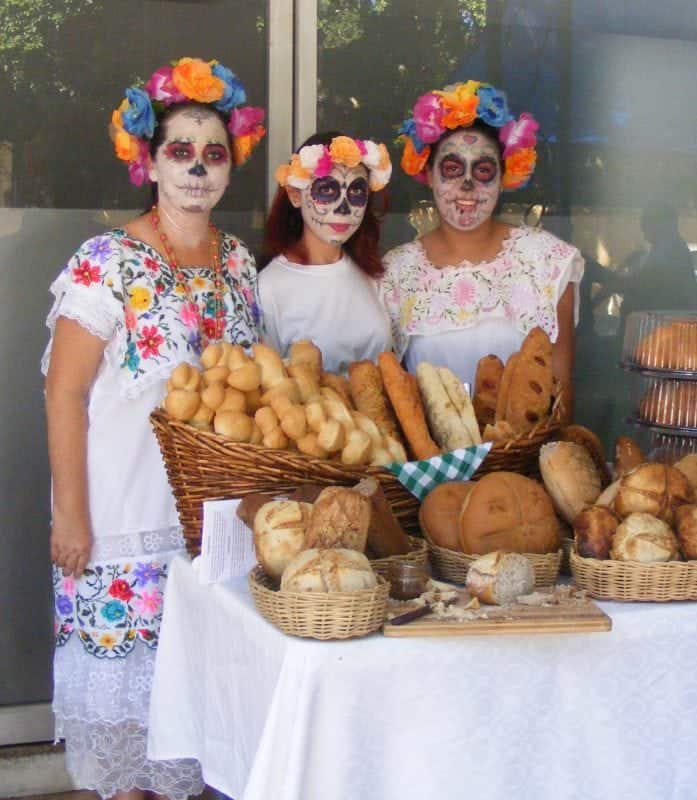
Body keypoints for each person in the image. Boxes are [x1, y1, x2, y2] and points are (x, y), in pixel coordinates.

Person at [43, 57, 265, 800]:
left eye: (213, 154)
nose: (198, 170)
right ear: (148, 160)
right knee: (131, 751)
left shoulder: (238, 262)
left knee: (199, 735)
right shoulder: (104, 261)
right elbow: (64, 392)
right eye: (180, 152)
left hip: (209, 531)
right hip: (120, 522)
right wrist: (72, 515)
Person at [380, 80, 585, 420]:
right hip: (429, 470)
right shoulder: (395, 271)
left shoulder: (548, 262)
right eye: (452, 169)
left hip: (519, 466)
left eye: (484, 170)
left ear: (505, 177)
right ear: (428, 174)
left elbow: (561, 403)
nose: (468, 185)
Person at [259, 131, 393, 374]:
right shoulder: (269, 287)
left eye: (356, 192)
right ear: (295, 195)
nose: (343, 207)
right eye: (327, 191)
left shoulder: (373, 274)